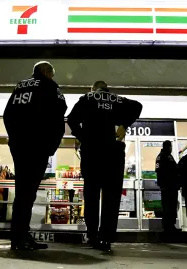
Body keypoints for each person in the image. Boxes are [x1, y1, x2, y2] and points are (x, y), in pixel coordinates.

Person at [67, 81, 142, 251]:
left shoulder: (87, 98)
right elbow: (138, 106)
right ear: (107, 89)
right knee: (112, 196)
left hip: (92, 152)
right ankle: (106, 238)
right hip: (113, 153)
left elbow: (71, 119)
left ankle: (93, 236)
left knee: (91, 195)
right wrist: (125, 124)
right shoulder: (118, 99)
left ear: (93, 89)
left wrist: (82, 136)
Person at [3, 61, 67, 250]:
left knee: (22, 191)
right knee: (28, 193)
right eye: (52, 74)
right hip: (38, 146)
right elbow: (59, 114)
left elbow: (7, 115)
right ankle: (20, 238)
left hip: (19, 145)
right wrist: (51, 146)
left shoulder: (20, 86)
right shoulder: (50, 86)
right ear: (47, 73)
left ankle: (20, 234)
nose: (53, 77)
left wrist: (14, 138)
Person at [155, 140, 179, 233]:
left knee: (172, 205)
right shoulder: (161, 157)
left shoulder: (168, 156)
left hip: (172, 185)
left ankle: (171, 225)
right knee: (168, 206)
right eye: (170, 146)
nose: (171, 148)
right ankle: (167, 225)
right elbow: (159, 172)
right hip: (167, 186)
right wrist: (162, 185)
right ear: (167, 147)